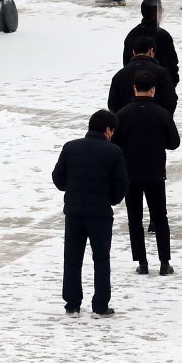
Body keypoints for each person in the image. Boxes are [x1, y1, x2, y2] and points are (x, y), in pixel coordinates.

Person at [52, 109, 129, 317]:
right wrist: (109, 200)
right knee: (101, 259)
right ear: (107, 129)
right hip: (100, 215)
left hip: (74, 213)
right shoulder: (113, 152)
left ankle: (72, 305)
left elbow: (58, 179)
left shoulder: (70, 147)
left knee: (72, 259)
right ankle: (100, 306)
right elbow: (122, 184)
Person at [113, 70, 181, 276]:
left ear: (134, 88)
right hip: (155, 174)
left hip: (130, 175)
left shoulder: (121, 114)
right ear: (154, 89)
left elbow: (114, 144)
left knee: (134, 218)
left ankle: (142, 262)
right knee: (160, 217)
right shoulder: (162, 114)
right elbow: (174, 143)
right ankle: (164, 262)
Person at [108, 36, 177, 115]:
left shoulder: (119, 74)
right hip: (154, 122)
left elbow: (112, 104)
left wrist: (121, 121)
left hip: (127, 123)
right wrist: (163, 120)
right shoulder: (161, 72)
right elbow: (170, 101)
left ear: (133, 52)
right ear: (151, 51)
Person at [121, 0, 180, 86]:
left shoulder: (131, 35)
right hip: (159, 88)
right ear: (158, 12)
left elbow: (126, 63)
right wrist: (170, 88)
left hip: (136, 89)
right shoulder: (163, 36)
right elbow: (171, 65)